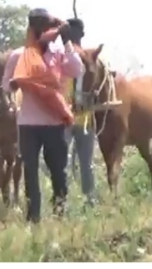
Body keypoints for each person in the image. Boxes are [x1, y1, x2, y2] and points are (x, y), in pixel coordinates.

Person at [3, 9, 83, 224]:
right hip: (28, 124)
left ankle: (60, 214)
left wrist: (68, 43)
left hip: (55, 123)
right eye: (39, 26)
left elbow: (77, 70)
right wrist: (21, 81)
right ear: (32, 29)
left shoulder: (58, 53)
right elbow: (6, 85)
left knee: (59, 171)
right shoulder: (20, 56)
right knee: (30, 172)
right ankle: (34, 219)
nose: (44, 31)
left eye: (47, 27)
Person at [63, 17, 96, 206]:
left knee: (86, 163)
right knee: (63, 162)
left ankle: (90, 201)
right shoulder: (62, 56)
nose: (71, 36)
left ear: (82, 35)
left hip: (85, 119)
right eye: (68, 32)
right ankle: (64, 200)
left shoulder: (90, 57)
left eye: (73, 32)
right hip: (65, 117)